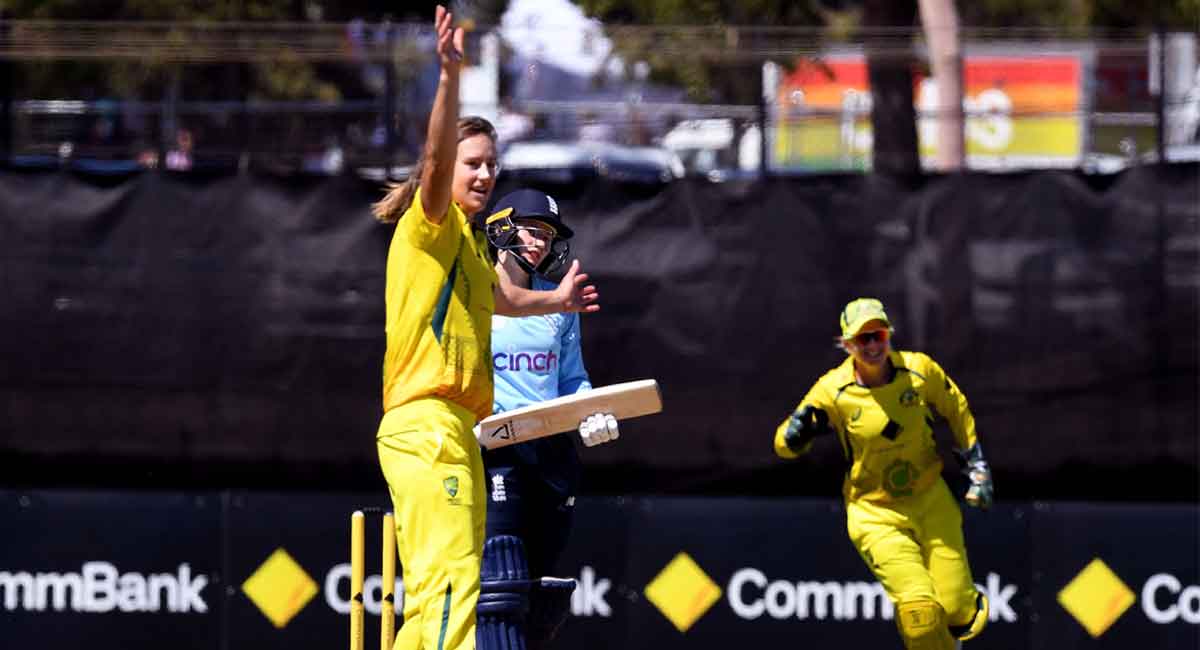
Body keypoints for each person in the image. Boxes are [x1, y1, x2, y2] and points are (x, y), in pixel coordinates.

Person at [369, 7, 599, 650]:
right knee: (454, 594)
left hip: (457, 430)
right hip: (427, 422)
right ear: (445, 170)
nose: (485, 174)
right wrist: (449, 78)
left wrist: (556, 300)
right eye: (472, 163)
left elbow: (504, 300)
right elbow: (437, 156)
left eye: (492, 164)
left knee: (435, 600)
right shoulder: (433, 224)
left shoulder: (470, 249)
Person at [773, 298, 993, 650]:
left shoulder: (918, 370)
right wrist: (794, 437)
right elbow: (784, 443)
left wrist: (977, 466)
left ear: (888, 335)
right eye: (863, 339)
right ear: (847, 345)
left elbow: (957, 407)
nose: (873, 346)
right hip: (875, 514)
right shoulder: (833, 390)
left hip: (930, 500)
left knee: (957, 612)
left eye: (878, 335)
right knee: (919, 613)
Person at [475, 188, 619, 650]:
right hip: (496, 450)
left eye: (548, 235)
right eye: (532, 230)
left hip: (552, 452)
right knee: (500, 583)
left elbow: (572, 378)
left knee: (544, 592)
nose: (541, 242)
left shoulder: (560, 303)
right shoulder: (476, 293)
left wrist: (590, 413)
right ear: (502, 229)